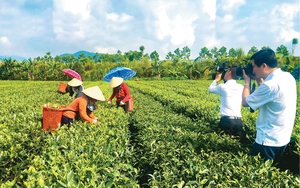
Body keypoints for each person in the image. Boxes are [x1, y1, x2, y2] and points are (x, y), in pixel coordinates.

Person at [242, 49, 297, 163]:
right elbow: (269, 95)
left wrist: (247, 82)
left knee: (256, 175)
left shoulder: (270, 85)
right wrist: (258, 79)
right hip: (282, 139)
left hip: (267, 141)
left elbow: (246, 102)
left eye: (253, 66)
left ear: (264, 66)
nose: (252, 69)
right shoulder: (287, 77)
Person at [208, 65, 244, 139]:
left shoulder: (223, 87)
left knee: (224, 145)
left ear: (229, 72)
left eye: (227, 71)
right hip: (239, 122)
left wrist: (216, 80)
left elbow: (210, 89)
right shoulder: (241, 87)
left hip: (227, 121)